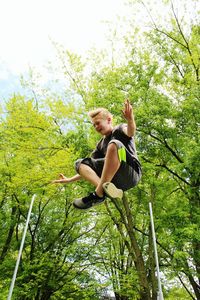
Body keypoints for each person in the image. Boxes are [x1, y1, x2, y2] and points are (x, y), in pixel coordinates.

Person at [53, 100, 142, 209]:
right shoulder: (100, 145)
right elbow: (89, 169)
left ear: (109, 120)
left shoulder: (119, 129)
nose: (96, 127)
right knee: (79, 163)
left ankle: (98, 194)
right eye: (93, 125)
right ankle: (104, 190)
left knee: (114, 144)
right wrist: (69, 180)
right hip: (116, 181)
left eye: (98, 123)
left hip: (130, 171)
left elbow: (130, 132)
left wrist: (130, 119)